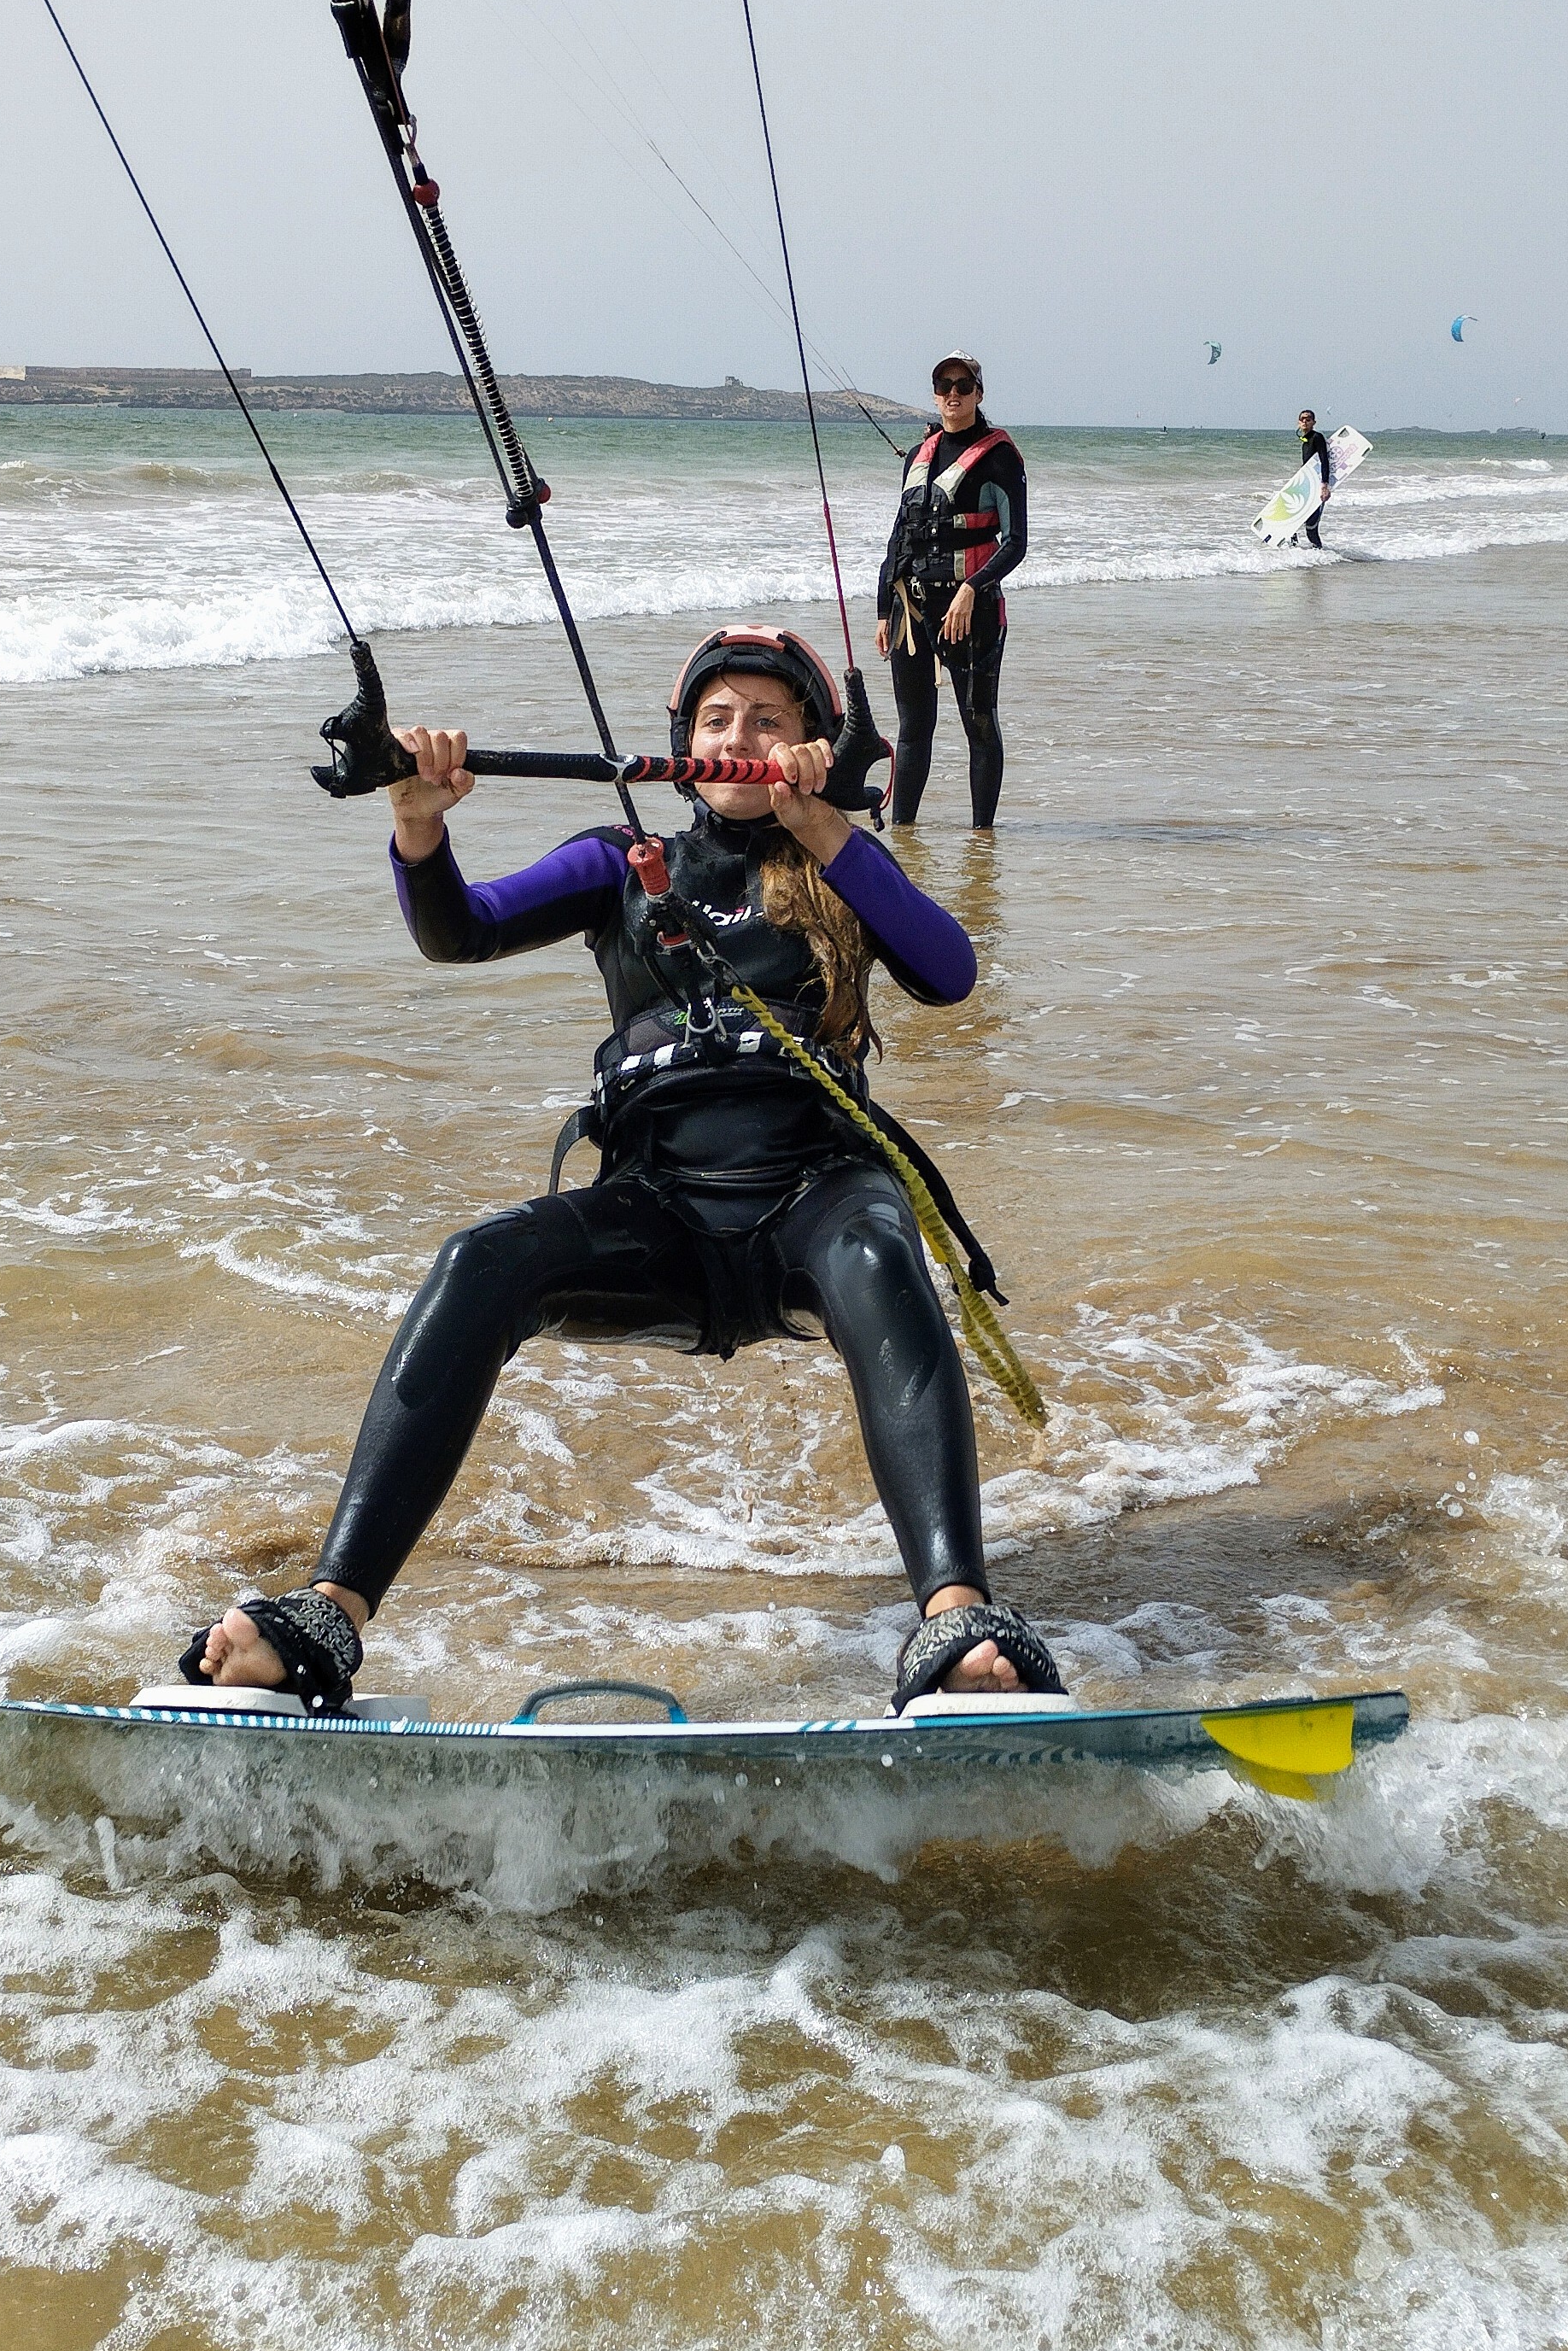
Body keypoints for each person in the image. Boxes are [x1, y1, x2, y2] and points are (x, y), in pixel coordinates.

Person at [182, 626, 1062, 1715]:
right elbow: (463, 933)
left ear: (814, 746)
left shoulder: (842, 860)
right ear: (683, 744)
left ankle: (956, 1618)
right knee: (479, 1261)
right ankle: (329, 1613)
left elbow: (951, 972)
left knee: (883, 1252)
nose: (739, 737)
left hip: (817, 1199)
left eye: (769, 721)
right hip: (657, 1213)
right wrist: (419, 823)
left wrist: (823, 825)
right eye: (716, 721)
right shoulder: (620, 864)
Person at [875, 356, 1027, 830]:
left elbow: (1017, 542)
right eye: (944, 385)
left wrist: (972, 589)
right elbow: (899, 537)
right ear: (935, 393)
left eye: (963, 385)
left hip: (972, 612)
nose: (953, 394)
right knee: (913, 729)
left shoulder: (1000, 458)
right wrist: (884, 609)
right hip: (912, 610)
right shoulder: (919, 457)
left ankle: (983, 842)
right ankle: (905, 836)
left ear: (980, 393)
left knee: (979, 724)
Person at [1294, 407, 1335, 547]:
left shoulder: (1317, 437)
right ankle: (1294, 553)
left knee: (1311, 529)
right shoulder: (1305, 439)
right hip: (1307, 486)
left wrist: (1325, 486)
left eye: (1308, 419)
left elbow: (1324, 461)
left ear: (1313, 422)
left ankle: (1321, 558)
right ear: (1298, 423)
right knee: (1293, 524)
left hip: (1317, 487)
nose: (1305, 421)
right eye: (1302, 419)